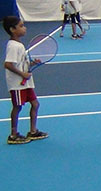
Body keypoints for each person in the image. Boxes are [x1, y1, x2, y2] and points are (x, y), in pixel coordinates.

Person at [3, 16, 48, 145]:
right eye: (21, 26)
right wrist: (22, 74)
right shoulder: (13, 46)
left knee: (35, 104)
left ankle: (33, 131)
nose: (24, 28)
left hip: (26, 83)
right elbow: (8, 64)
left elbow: (22, 64)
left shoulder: (20, 45)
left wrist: (32, 64)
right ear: (12, 29)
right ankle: (13, 134)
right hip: (17, 84)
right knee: (17, 107)